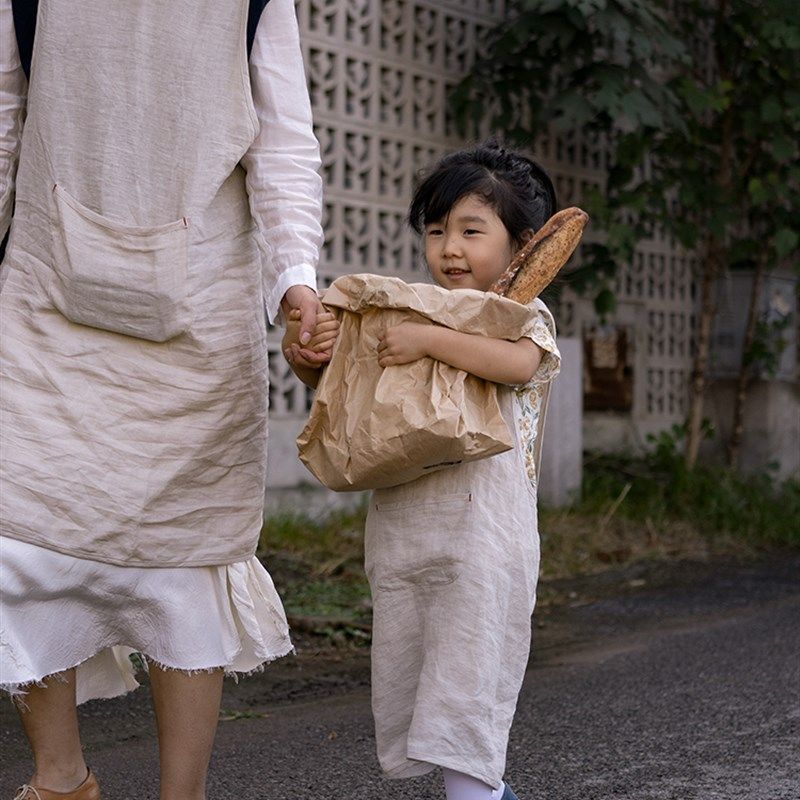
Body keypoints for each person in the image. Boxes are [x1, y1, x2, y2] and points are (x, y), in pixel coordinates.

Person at [0, 1, 331, 798]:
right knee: (21, 538)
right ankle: (60, 779)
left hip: (200, 304)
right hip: (48, 290)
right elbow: (5, 112)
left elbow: (283, 140)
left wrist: (295, 280)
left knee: (184, 563)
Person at [287, 140, 562, 800]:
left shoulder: (518, 314)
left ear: (520, 243)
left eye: (472, 230)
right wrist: (313, 357)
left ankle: (476, 791)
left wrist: (428, 340)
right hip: (408, 543)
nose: (450, 248)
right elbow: (349, 392)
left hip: (484, 548)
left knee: (467, 695)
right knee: (423, 689)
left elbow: (521, 365)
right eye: (436, 231)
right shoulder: (410, 307)